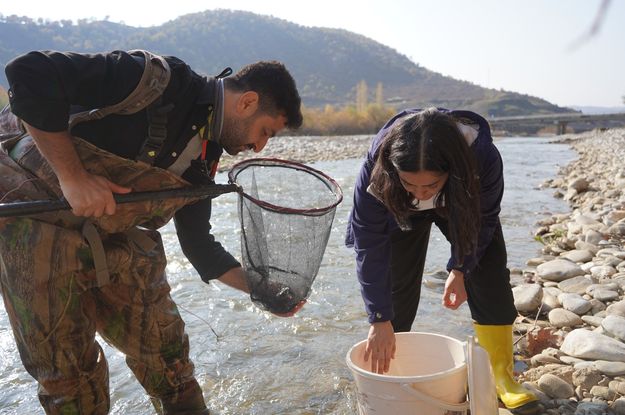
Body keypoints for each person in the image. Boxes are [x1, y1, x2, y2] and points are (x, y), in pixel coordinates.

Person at [0, 49, 303, 415]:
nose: (259, 146)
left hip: (119, 238)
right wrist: (73, 177)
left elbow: (200, 246)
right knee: (69, 384)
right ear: (248, 102)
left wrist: (263, 290)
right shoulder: (153, 80)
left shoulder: (204, 158)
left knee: (171, 364)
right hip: (32, 229)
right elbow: (28, 72)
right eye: (265, 132)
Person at [345, 108, 539, 413]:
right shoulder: (377, 170)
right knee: (393, 290)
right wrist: (378, 317)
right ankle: (395, 374)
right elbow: (369, 245)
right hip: (399, 211)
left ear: (452, 168)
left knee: (488, 272)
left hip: (461, 206)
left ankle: (500, 376)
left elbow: (483, 219)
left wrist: (460, 267)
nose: (420, 193)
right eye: (411, 184)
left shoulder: (482, 158)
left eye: (430, 185)